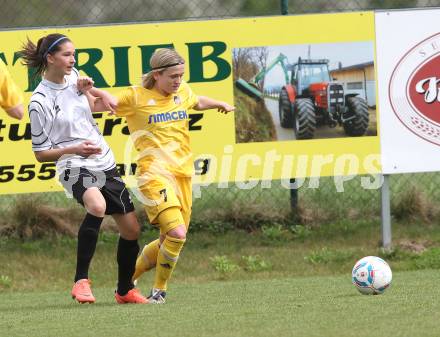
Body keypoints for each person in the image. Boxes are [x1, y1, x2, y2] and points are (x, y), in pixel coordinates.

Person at [20, 33, 147, 304]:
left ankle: (124, 291)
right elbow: (41, 154)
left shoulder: (75, 77)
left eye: (73, 54)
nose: (72, 59)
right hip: (72, 163)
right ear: (50, 58)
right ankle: (81, 282)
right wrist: (74, 149)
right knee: (97, 205)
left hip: (103, 160)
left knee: (132, 230)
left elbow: (91, 105)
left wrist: (97, 92)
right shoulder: (39, 102)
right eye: (66, 55)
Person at [113, 48, 234, 304]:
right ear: (157, 75)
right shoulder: (135, 96)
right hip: (153, 174)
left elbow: (196, 101)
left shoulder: (182, 92)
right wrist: (83, 89)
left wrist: (218, 104)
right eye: (173, 76)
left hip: (183, 174)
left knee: (169, 240)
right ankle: (159, 291)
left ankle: (125, 285)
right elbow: (105, 103)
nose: (178, 81)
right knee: (177, 234)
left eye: (181, 75)